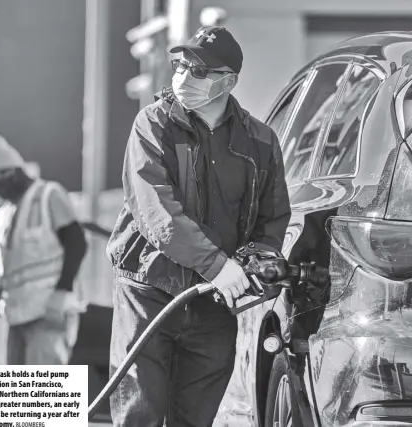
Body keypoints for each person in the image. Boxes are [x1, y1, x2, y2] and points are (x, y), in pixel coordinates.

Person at [106, 26, 291, 426]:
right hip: (149, 290)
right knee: (139, 416)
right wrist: (218, 267)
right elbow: (156, 209)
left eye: (198, 71)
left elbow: (272, 218)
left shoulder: (259, 141)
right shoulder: (153, 124)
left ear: (228, 82)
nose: (183, 77)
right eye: (181, 65)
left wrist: (253, 263)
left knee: (195, 419)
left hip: (213, 303)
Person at [0, 133, 88, 365]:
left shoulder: (49, 195)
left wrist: (62, 292)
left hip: (48, 315)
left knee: (44, 396)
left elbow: (76, 242)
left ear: (11, 173)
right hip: (17, 317)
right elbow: (14, 274)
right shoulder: (4, 215)